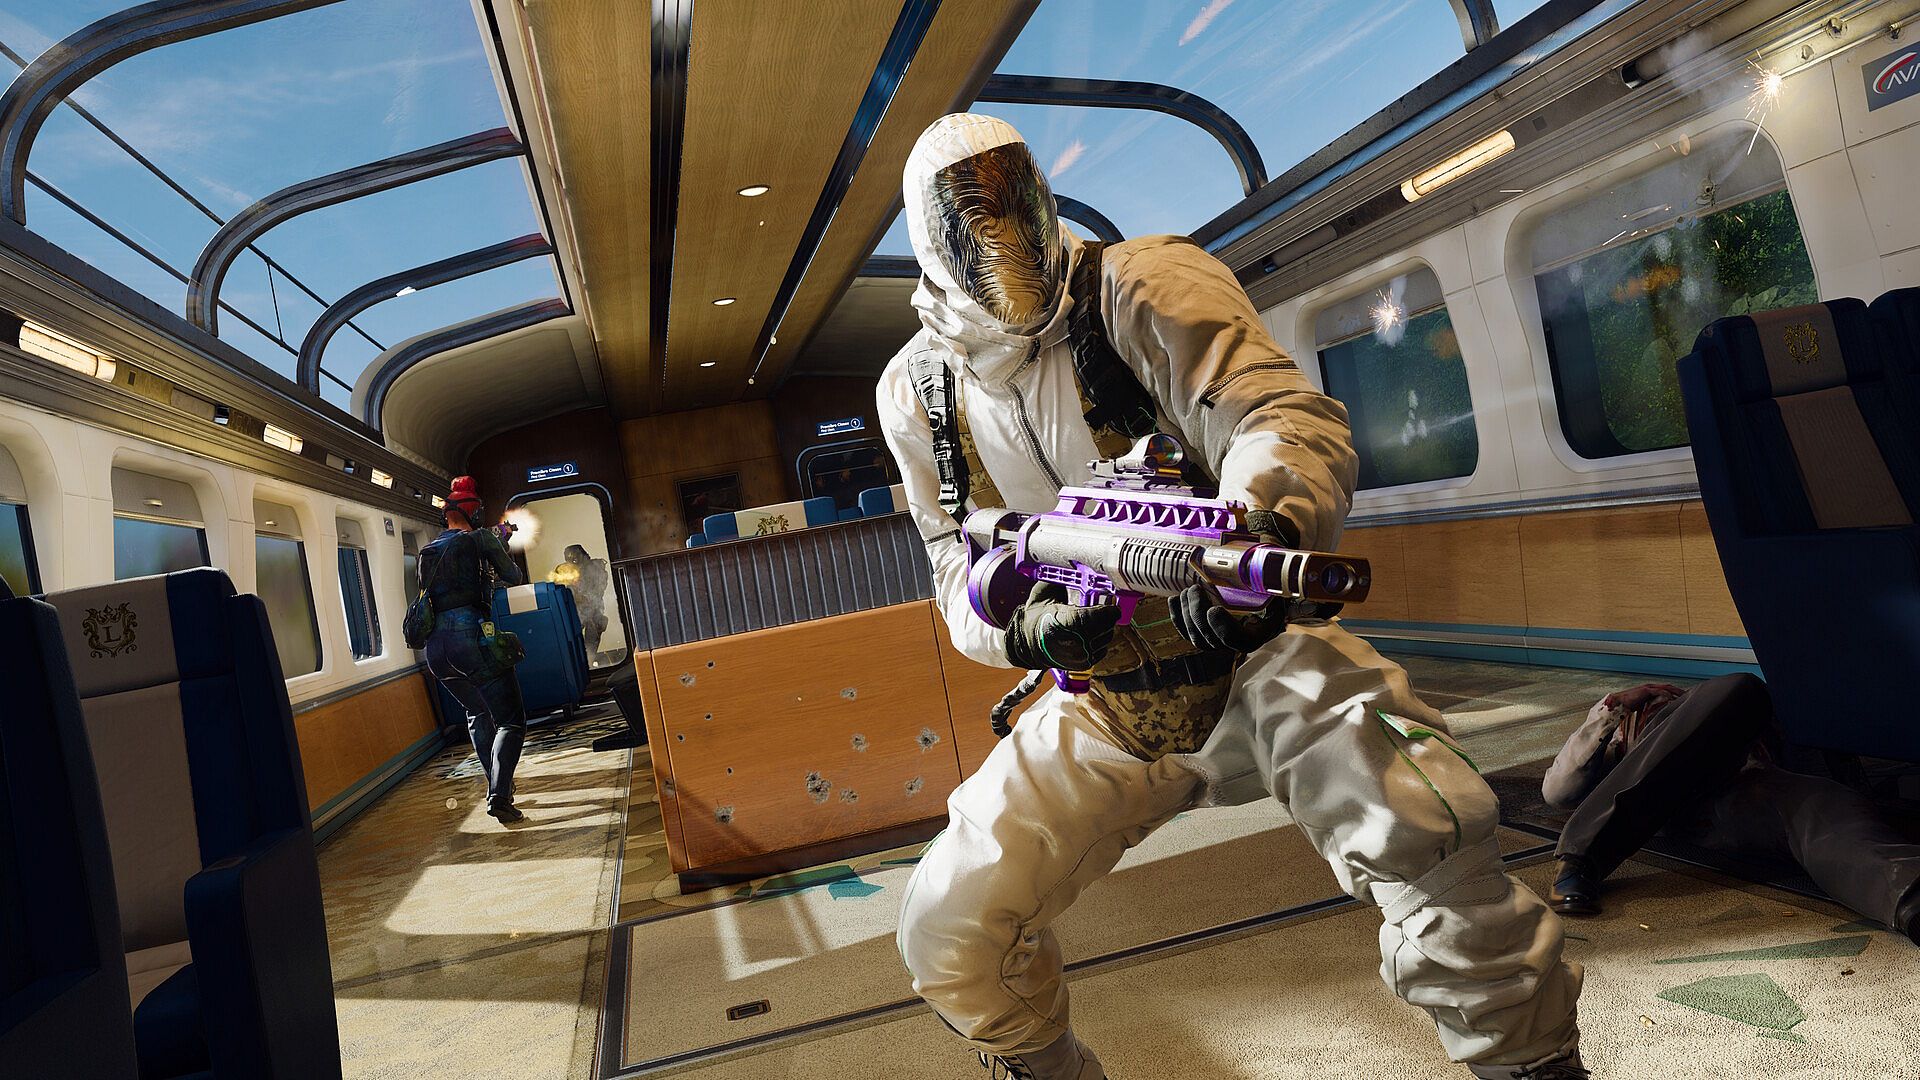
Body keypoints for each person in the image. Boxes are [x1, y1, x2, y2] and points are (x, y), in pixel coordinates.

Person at [876, 114, 1585, 1080]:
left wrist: (1261, 527)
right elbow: (953, 559)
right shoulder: (916, 391)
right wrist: (1019, 627)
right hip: (1103, 695)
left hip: (1255, 647)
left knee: (1431, 831)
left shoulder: (1141, 285)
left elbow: (1274, 415)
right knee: (946, 928)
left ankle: (1532, 1066)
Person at [1543, 675, 1920, 940]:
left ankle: (1909, 896)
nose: (1668, 702)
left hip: (1743, 793)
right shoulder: (1619, 743)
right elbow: (1559, 791)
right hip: (1664, 803)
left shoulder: (1724, 710)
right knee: (1743, 688)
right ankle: (1580, 857)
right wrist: (1610, 709)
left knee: (1817, 802)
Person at [421, 476, 528, 824]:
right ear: (476, 512)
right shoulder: (482, 539)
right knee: (511, 721)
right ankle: (499, 796)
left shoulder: (428, 551)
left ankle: (498, 785)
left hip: (437, 651)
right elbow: (513, 576)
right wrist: (500, 545)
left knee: (478, 713)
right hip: (471, 640)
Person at [560, 543, 612, 656]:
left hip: (593, 613)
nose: (572, 562)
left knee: (589, 650)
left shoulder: (595, 568)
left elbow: (598, 591)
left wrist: (582, 595)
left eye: (574, 558)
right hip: (577, 612)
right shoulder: (571, 572)